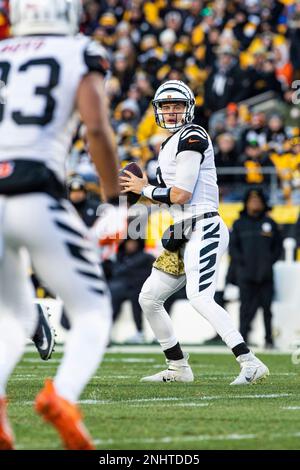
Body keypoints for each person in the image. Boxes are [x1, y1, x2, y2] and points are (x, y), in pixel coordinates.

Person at [0, 0, 120, 450]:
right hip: (36, 192)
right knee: (92, 312)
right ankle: (63, 397)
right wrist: (113, 200)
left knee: (12, 318)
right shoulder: (79, 51)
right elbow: (96, 127)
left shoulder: (4, 53)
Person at [120, 79, 269, 385]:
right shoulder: (166, 145)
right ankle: (178, 367)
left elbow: (182, 194)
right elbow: (169, 198)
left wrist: (144, 187)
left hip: (204, 225)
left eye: (177, 106)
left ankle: (250, 361)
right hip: (184, 231)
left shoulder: (193, 135)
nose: (172, 112)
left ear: (188, 108)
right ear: (157, 111)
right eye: (166, 106)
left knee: (199, 296)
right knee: (149, 298)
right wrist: (134, 193)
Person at [230, 189, 282, 348]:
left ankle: (269, 340)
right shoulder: (239, 224)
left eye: (258, 201)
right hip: (245, 274)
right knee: (245, 308)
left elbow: (277, 248)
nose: (255, 203)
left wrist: (268, 262)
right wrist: (242, 265)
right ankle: (242, 340)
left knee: (267, 309)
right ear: (246, 203)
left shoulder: (270, 223)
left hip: (266, 274)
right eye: (252, 201)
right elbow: (233, 248)